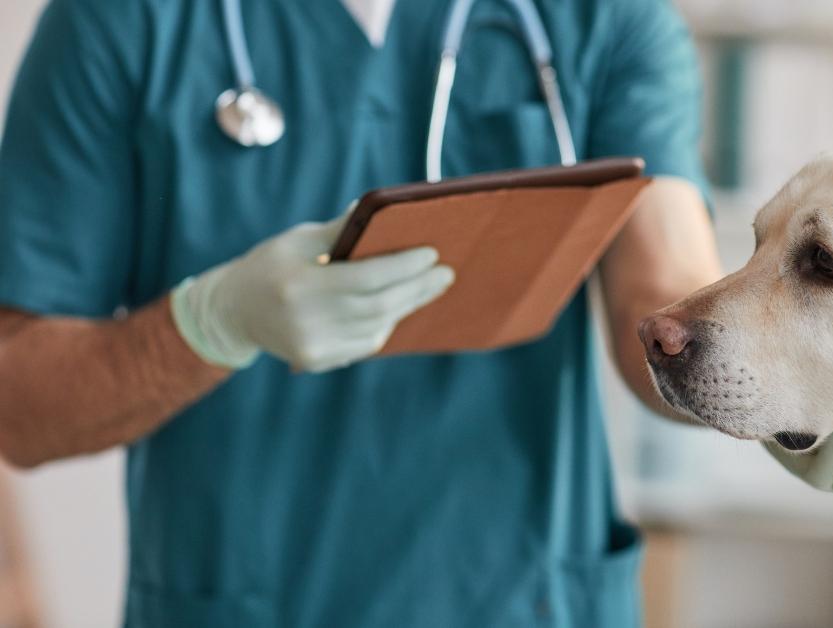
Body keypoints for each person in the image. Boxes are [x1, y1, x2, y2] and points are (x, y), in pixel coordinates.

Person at [0, 0, 721, 625]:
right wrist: (210, 324)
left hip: (523, 599)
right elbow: (17, 403)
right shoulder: (122, 21)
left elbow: (665, 297)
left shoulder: (604, 17)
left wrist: (790, 387)